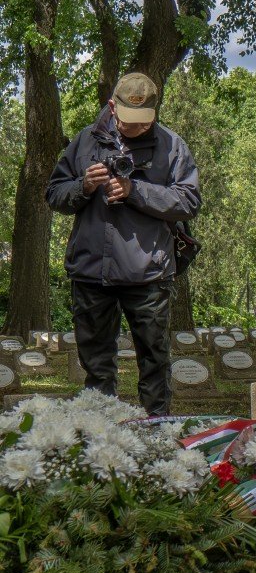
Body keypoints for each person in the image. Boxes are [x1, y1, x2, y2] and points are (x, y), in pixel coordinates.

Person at [45, 72, 200, 417]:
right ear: (113, 107)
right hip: (91, 272)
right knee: (97, 369)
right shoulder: (85, 142)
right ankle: (103, 438)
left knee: (155, 362)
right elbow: (54, 194)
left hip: (148, 275)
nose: (140, 128)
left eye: (146, 121)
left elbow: (189, 202)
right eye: (131, 122)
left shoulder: (172, 146)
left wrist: (136, 191)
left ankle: (158, 433)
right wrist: (83, 187)